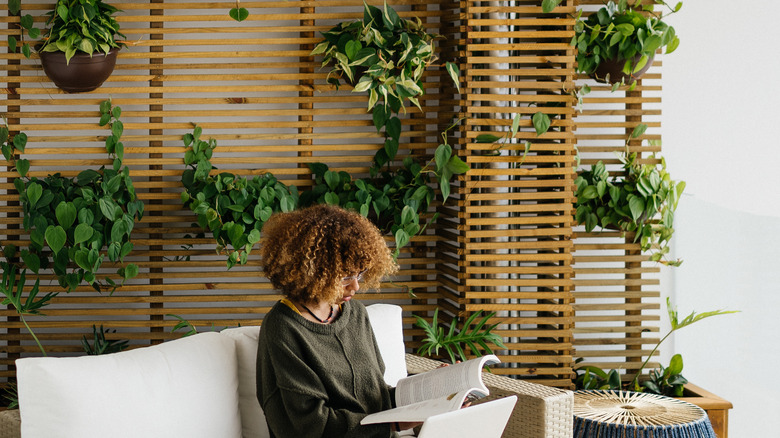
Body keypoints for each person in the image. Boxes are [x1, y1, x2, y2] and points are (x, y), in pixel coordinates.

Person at [256, 204, 417, 438]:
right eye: (346, 277)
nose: (356, 286)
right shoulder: (283, 327)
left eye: (360, 274)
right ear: (313, 271)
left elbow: (375, 397)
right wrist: (393, 425)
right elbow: (310, 423)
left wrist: (430, 394)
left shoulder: (356, 314)